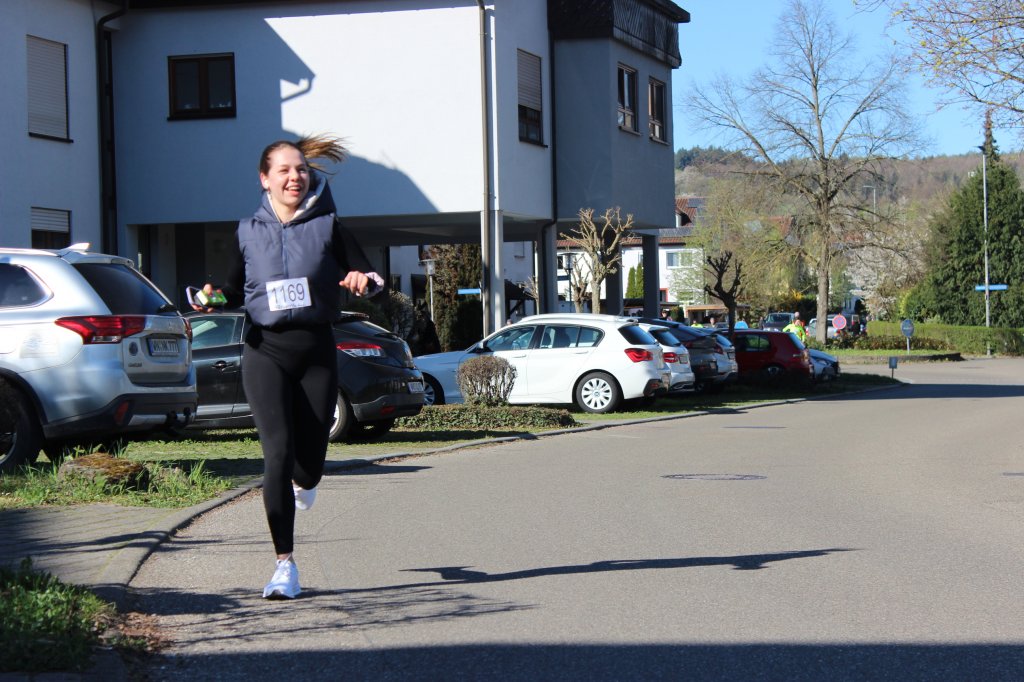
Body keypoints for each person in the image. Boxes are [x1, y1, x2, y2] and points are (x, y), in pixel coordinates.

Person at [210, 134, 382, 599]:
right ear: (264, 179)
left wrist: (363, 281)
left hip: (316, 352)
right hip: (264, 350)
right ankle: (284, 566)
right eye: (284, 170)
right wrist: (211, 298)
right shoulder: (247, 231)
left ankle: (306, 482)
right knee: (277, 453)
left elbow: (371, 275)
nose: (295, 177)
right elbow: (231, 289)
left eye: (301, 169)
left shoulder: (328, 227)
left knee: (308, 465)